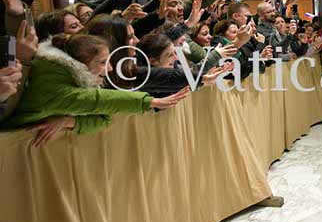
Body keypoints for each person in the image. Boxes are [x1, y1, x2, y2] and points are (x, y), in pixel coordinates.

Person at [1, 33, 189, 146]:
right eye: (102, 62)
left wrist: (68, 121)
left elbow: (104, 118)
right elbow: (100, 100)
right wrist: (149, 102)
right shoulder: (53, 86)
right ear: (81, 64)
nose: (110, 68)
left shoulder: (64, 75)